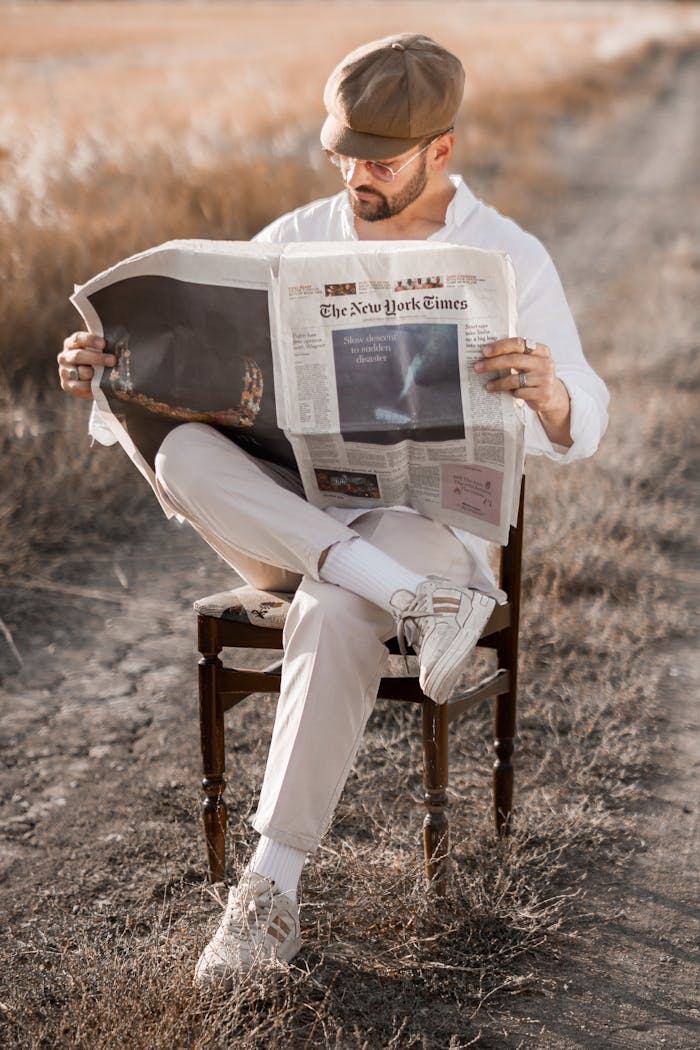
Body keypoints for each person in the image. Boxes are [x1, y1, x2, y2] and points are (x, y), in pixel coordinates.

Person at [57, 33, 609, 988]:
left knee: (337, 601)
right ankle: (404, 597)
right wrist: (108, 383)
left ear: (442, 150)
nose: (356, 174)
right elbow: (197, 405)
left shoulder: (509, 255)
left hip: (425, 532)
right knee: (185, 448)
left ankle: (265, 897)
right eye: (344, 153)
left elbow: (589, 418)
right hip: (288, 519)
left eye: (380, 161)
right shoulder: (296, 238)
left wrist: (552, 396)